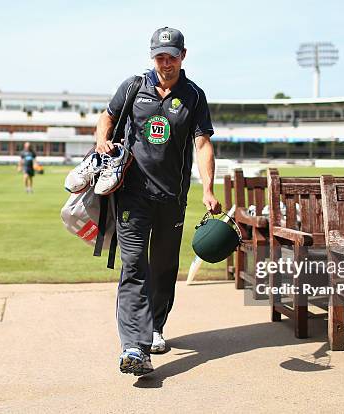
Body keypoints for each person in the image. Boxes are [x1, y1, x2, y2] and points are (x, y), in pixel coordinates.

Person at [95, 27, 221, 375]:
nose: (165, 62)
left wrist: (207, 188)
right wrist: (103, 140)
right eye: (160, 56)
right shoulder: (134, 86)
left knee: (164, 268)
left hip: (172, 197)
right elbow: (107, 116)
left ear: (183, 55)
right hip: (132, 195)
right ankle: (134, 346)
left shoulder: (194, 96)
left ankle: (155, 326)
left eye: (171, 56)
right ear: (153, 56)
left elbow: (203, 144)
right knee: (134, 266)